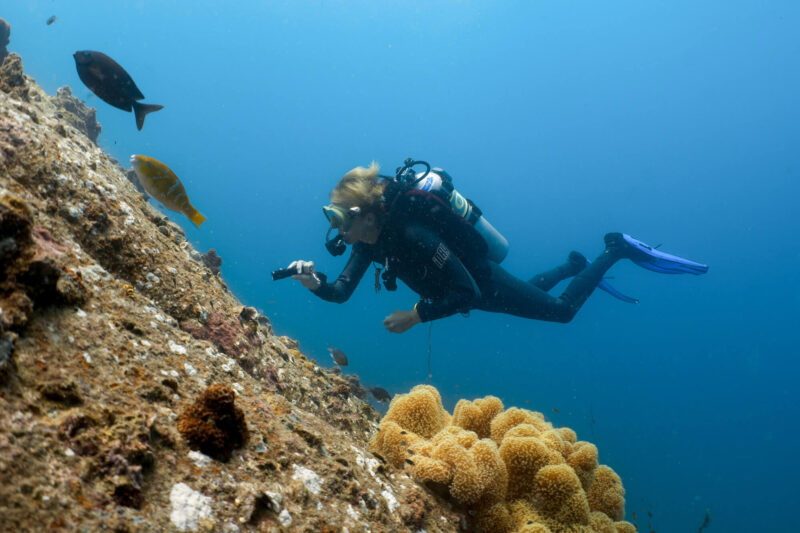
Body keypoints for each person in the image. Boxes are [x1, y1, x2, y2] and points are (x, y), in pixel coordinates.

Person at [287, 162, 707, 333]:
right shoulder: (372, 243)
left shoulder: (414, 236)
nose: (338, 230)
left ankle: (616, 249)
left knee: (560, 312)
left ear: (368, 214)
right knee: (524, 291)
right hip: (467, 290)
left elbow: (466, 291)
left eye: (342, 218)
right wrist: (312, 283)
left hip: (477, 283)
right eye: (333, 219)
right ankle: (569, 265)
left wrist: (416, 315)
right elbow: (340, 292)